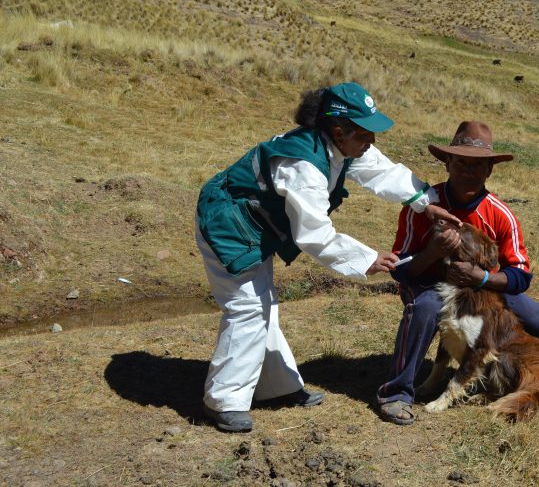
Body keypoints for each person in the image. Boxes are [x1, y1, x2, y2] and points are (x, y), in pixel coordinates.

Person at [195, 81, 460, 433]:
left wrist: (426, 202)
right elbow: (314, 234)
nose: (372, 142)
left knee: (263, 305)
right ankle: (225, 400)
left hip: (255, 227)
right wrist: (366, 258)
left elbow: (382, 170)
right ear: (339, 130)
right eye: (366, 134)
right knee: (247, 308)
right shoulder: (303, 165)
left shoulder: (342, 146)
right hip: (227, 225)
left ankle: (276, 386)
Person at [376, 121, 539, 425]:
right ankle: (397, 392)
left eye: (478, 165)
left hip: (479, 288)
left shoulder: (500, 213)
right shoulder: (421, 205)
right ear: (447, 162)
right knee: (427, 308)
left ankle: (503, 371)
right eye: (461, 162)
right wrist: (433, 252)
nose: (468, 171)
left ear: (489, 170)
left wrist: (481, 278)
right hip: (427, 282)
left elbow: (520, 276)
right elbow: (401, 271)